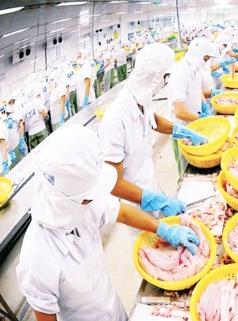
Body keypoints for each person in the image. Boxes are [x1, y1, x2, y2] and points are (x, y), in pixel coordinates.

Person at [16, 125, 200, 321]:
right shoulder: (37, 258)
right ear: (68, 198)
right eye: (88, 196)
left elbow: (122, 212)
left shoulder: (81, 204)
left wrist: (164, 229)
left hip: (113, 309)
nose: (93, 199)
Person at [99, 43, 206, 220]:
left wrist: (183, 131)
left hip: (151, 183)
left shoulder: (142, 99)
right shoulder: (115, 120)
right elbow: (114, 183)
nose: (166, 81)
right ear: (153, 77)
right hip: (135, 202)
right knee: (152, 243)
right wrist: (153, 200)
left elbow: (153, 120)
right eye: (164, 76)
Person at [166, 37, 219, 175]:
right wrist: (201, 119)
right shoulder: (180, 74)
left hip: (194, 123)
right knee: (186, 169)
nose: (206, 62)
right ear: (197, 55)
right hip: (183, 130)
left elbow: (198, 89)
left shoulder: (194, 70)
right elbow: (179, 111)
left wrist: (204, 105)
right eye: (205, 58)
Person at [3, 95, 27, 164]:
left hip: (18, 144)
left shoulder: (17, 113)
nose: (11, 104)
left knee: (25, 164)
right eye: (10, 102)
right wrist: (8, 150)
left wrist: (22, 140)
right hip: (11, 149)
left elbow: (21, 125)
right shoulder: (4, 118)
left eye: (13, 102)